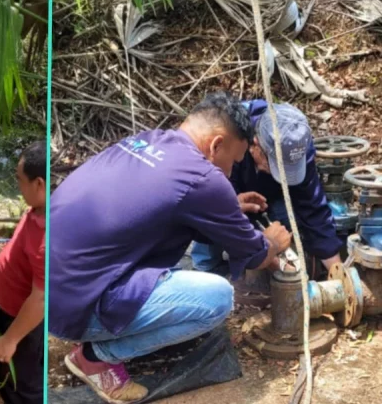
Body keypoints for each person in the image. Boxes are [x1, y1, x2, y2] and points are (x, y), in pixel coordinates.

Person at [48, 92, 292, 403]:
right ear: (216, 144)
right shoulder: (203, 177)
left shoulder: (147, 140)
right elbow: (256, 255)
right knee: (218, 298)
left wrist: (226, 207)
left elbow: (149, 204)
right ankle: (98, 355)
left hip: (46, 290)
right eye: (232, 161)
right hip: (74, 310)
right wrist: (273, 240)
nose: (230, 173)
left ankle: (99, 335)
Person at [190, 99, 342, 276]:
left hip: (270, 194)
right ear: (255, 145)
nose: (282, 173)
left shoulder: (297, 145)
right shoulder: (229, 141)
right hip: (226, 188)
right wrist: (269, 256)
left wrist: (337, 272)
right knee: (214, 213)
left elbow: (314, 208)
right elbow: (219, 212)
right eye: (276, 167)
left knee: (291, 221)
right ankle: (207, 268)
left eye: (289, 169)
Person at [0, 141, 46, 404]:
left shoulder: (48, 238)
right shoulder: (39, 207)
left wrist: (11, 339)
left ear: (40, 184)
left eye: (20, 180)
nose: (18, 186)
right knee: (9, 377)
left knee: (22, 387)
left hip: (20, 322)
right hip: (7, 309)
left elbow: (41, 298)